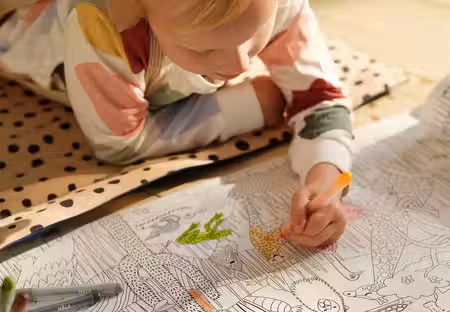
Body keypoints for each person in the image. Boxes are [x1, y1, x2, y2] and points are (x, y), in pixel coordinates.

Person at [0, 0, 352, 248]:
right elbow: (120, 143)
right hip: (22, 41)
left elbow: (322, 97)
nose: (240, 66)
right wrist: (252, 105)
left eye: (256, 31)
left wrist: (325, 178)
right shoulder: (102, 27)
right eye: (204, 50)